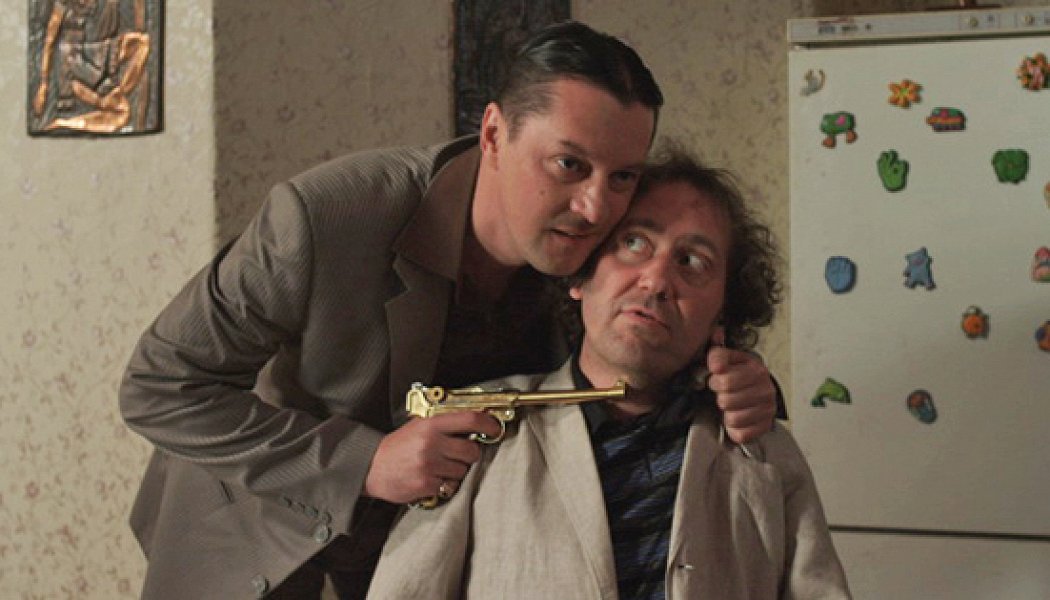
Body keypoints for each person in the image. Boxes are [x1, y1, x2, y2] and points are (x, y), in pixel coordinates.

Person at [119, 22, 780, 599]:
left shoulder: (594, 251)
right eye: (568, 164)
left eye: (623, 176)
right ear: (493, 132)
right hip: (250, 537)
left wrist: (744, 385)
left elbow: (641, 360)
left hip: (415, 562)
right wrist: (365, 464)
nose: (594, 207)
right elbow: (160, 384)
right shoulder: (328, 215)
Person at [366, 147, 850, 600]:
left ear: (721, 313)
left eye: (692, 261)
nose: (657, 280)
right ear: (581, 275)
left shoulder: (763, 453)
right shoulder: (477, 431)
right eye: (633, 243)